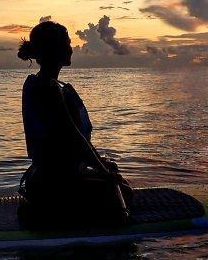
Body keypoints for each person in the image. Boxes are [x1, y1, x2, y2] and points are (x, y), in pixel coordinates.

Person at [16, 20, 133, 226]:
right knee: (122, 194)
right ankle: (43, 214)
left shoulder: (53, 85)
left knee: (119, 184)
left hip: (58, 177)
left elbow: (73, 142)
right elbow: (74, 138)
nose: (71, 48)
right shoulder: (47, 88)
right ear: (54, 50)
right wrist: (103, 174)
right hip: (51, 183)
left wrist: (102, 166)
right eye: (67, 44)